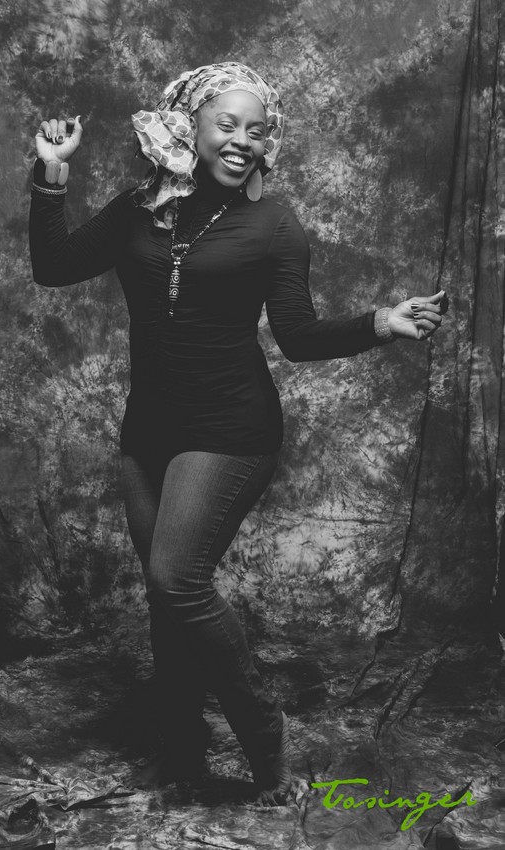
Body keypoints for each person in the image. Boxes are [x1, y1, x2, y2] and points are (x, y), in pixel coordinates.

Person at [29, 62, 445, 806]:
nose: (243, 141)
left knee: (176, 578)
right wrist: (51, 175)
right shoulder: (138, 209)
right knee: (166, 602)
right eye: (228, 124)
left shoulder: (274, 223)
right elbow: (53, 267)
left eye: (257, 130)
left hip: (231, 427)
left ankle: (262, 730)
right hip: (148, 431)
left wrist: (381, 322)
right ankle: (184, 754)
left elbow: (298, 336)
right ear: (189, 125)